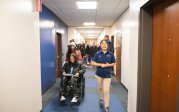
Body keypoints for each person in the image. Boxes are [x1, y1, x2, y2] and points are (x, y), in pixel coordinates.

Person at [91, 39, 116, 112]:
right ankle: (101, 99)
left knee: (106, 90)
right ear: (100, 45)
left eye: (105, 44)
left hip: (107, 74)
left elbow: (114, 63)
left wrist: (109, 64)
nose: (104, 45)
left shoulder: (111, 54)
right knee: (100, 88)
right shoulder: (97, 54)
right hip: (98, 74)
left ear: (107, 46)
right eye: (102, 44)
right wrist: (100, 64)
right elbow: (92, 63)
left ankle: (107, 106)